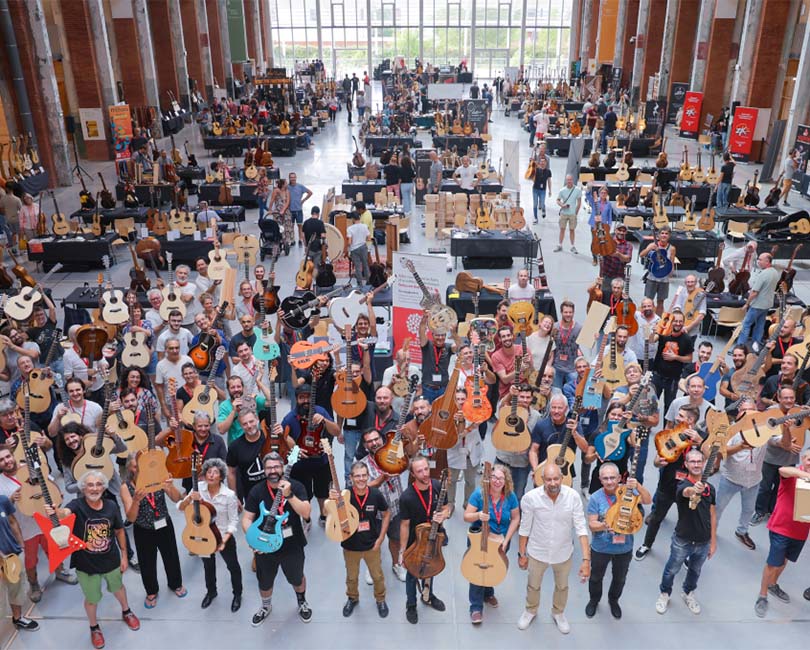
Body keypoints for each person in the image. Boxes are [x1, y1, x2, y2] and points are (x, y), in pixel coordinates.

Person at [49, 470, 140, 649]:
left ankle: (126, 611)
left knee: (118, 587)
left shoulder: (111, 507)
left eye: (98, 484)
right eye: (90, 484)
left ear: (104, 487)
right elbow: (64, 513)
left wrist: (123, 555)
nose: (94, 488)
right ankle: (94, 627)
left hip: (111, 559)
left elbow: (119, 531)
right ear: (83, 488)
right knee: (92, 598)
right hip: (86, 564)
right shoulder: (76, 505)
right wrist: (55, 511)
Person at [516, 463, 589, 634]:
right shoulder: (530, 498)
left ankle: (558, 612)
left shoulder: (573, 497)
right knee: (533, 585)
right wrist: (522, 554)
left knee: (562, 586)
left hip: (563, 553)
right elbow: (524, 528)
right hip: (537, 551)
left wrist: (586, 560)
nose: (553, 483)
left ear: (562, 478)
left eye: (556, 478)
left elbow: (581, 528)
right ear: (542, 480)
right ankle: (530, 610)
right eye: (548, 479)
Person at [242, 452, 313, 626]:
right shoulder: (257, 490)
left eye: (276, 467)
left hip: (292, 544)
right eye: (268, 468)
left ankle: (302, 601)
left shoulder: (296, 486)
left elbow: (306, 512)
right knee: (265, 582)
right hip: (265, 545)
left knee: (297, 578)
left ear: (283, 468)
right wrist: (253, 540)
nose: (273, 470)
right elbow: (246, 519)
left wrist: (289, 495)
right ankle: (266, 606)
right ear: (264, 471)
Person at [635, 405, 705, 561]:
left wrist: (700, 442)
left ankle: (686, 554)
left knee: (688, 522)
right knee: (656, 518)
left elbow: (713, 457)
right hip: (666, 486)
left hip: (689, 488)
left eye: (680, 416)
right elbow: (655, 461)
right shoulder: (669, 434)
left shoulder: (702, 437)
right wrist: (658, 463)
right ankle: (647, 544)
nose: (677, 418)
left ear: (690, 420)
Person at [655, 448, 717, 616]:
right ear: (686, 464)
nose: (696, 464)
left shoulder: (710, 488)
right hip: (683, 540)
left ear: (704, 463)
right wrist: (694, 490)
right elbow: (686, 493)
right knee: (672, 569)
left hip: (703, 542)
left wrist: (713, 541)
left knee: (695, 571)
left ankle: (688, 592)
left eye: (699, 461)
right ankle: (665, 593)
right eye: (692, 462)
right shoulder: (683, 485)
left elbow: (712, 515)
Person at [586, 462, 651, 619]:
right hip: (600, 547)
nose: (609, 482)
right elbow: (592, 525)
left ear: (620, 478)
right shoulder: (595, 498)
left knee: (620, 578)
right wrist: (604, 525)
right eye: (605, 478)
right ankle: (594, 600)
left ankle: (613, 600)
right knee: (595, 577)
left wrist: (639, 486)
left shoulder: (628, 492)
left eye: (612, 478)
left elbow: (648, 500)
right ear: (600, 480)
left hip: (624, 548)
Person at [120, 455, 186, 609]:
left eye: (141, 465)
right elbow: (130, 517)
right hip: (143, 529)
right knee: (146, 562)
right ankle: (151, 591)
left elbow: (177, 499)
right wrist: (136, 500)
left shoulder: (159, 477)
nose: (139, 469)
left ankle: (175, 583)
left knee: (171, 556)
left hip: (164, 524)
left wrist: (171, 486)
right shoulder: (126, 487)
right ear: (129, 468)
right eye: (136, 466)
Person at [178, 457, 242, 611]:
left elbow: (234, 521)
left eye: (216, 472)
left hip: (223, 536)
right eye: (209, 472)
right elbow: (180, 507)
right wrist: (189, 500)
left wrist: (225, 540)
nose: (211, 475)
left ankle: (237, 594)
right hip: (203, 535)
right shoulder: (198, 488)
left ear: (221, 476)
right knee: (208, 566)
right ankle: (211, 592)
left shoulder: (229, 495)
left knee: (232, 566)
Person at [754, 448, 810, 617]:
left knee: (784, 560)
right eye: (809, 459)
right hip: (781, 527)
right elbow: (782, 470)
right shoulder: (794, 474)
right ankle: (762, 595)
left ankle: (773, 585)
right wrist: (804, 475)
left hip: (800, 532)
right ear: (803, 458)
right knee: (773, 563)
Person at [463, 463, 520, 624]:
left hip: (501, 540)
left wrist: (507, 540)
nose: (497, 481)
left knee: (492, 566)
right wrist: (479, 515)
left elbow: (516, 518)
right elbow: (467, 516)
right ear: (488, 478)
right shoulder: (479, 494)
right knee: (477, 568)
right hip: (479, 540)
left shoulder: (510, 496)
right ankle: (475, 606)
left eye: (501, 478)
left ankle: (488, 593)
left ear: (506, 480)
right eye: (494, 477)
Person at [334, 461, 390, 618]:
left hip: (372, 545)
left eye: (364, 475)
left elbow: (386, 514)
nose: (361, 479)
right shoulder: (345, 495)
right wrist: (332, 501)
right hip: (350, 546)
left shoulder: (375, 494)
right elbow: (330, 513)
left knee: (377, 576)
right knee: (351, 577)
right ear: (351, 478)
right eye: (357, 476)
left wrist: (380, 539)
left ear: (368, 476)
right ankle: (352, 598)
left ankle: (380, 599)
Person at [399, 455, 450, 624]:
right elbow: (405, 525)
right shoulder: (407, 497)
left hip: (435, 538)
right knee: (412, 574)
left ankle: (428, 596)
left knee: (432, 567)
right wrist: (402, 552)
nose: (424, 473)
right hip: (415, 542)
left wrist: (444, 515)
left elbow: (447, 507)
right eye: (419, 471)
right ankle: (411, 604)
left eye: (426, 469)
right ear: (413, 474)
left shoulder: (437, 486)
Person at [715, 399, 768, 551]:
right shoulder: (731, 430)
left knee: (748, 509)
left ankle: (742, 531)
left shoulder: (765, 429)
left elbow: (779, 442)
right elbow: (720, 451)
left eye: (752, 410)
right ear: (739, 413)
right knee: (718, 508)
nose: (748, 413)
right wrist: (740, 447)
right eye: (745, 410)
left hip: (753, 481)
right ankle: (710, 531)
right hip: (731, 479)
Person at [751, 385, 803, 526]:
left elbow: (803, 426)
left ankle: (773, 510)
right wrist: (786, 444)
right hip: (771, 458)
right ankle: (760, 511)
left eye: (791, 397)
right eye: (785, 397)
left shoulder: (799, 411)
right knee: (765, 487)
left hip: (790, 459)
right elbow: (766, 435)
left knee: (781, 488)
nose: (789, 400)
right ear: (778, 398)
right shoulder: (770, 413)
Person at [0, 493, 39, 630]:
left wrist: (21, 545)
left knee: (16, 588)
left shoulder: (3, 500)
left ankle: (18, 618)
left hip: (12, 554)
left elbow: (12, 521)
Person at [652, 311, 694, 414]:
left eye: (680, 321)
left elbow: (689, 358)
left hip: (673, 379)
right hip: (657, 375)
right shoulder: (664, 334)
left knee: (669, 406)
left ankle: (667, 429)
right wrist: (653, 332)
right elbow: (651, 341)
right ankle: (647, 428)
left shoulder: (687, 339)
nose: (678, 324)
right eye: (675, 321)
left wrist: (676, 357)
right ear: (671, 321)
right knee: (652, 403)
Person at [739, 252, 781, 348]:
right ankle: (756, 344)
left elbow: (754, 292)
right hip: (767, 304)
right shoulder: (775, 272)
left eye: (760, 260)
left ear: (767, 261)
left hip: (757, 304)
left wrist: (747, 303)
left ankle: (740, 346)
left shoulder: (763, 274)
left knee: (746, 324)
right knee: (760, 325)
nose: (758, 262)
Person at [639, 228, 677, 315]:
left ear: (669, 236)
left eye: (666, 233)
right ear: (658, 236)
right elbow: (641, 255)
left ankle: (658, 319)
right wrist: (649, 249)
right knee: (648, 300)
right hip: (652, 277)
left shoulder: (672, 248)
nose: (664, 235)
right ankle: (647, 317)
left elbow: (672, 261)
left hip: (664, 279)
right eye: (662, 233)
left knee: (661, 301)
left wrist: (671, 272)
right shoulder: (652, 245)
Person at [552, 301, 582, 389]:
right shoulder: (554, 327)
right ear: (561, 312)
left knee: (574, 393)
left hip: (572, 368)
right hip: (557, 366)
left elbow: (587, 343)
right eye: (566, 312)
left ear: (573, 312)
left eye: (570, 312)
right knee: (556, 393)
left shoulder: (579, 328)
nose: (568, 314)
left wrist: (594, 337)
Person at [554, 175, 582, 253]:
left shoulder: (577, 190)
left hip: (572, 214)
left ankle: (572, 246)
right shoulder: (562, 190)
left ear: (572, 180)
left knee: (572, 230)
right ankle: (560, 245)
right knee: (562, 229)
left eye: (570, 179)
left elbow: (579, 202)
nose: (569, 181)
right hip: (564, 213)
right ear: (566, 181)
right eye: (568, 180)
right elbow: (558, 200)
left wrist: (576, 212)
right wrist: (562, 205)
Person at [346, 212, 370, 288]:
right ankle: (368, 280)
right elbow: (368, 238)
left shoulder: (350, 229)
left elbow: (349, 242)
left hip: (354, 249)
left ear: (353, 219)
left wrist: (347, 249)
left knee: (357, 266)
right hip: (363, 247)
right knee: (365, 265)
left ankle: (359, 283)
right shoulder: (365, 226)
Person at [531, 157, 552, 223]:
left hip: (543, 190)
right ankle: (535, 218)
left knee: (542, 203)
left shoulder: (548, 171)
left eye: (544, 161)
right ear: (539, 163)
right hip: (535, 189)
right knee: (535, 204)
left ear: (546, 163)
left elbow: (549, 181)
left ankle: (543, 209)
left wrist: (550, 190)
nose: (542, 163)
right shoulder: (536, 170)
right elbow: (530, 170)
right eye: (541, 161)